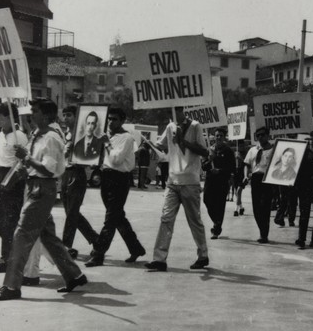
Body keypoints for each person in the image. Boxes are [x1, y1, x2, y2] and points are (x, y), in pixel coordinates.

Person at [0, 98, 87, 301]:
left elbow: (49, 169)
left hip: (42, 188)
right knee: (48, 237)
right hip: (33, 186)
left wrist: (26, 158)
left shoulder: (51, 138)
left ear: (47, 116)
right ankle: (74, 275)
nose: (31, 115)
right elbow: (30, 163)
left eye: (36, 112)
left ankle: (11, 286)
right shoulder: (37, 135)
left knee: (21, 235)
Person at [144, 114, 210, 272]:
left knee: (194, 220)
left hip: (190, 181)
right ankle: (159, 259)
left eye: (179, 108)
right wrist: (147, 143)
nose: (176, 112)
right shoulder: (170, 127)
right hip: (172, 181)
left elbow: (204, 152)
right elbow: (162, 146)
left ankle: (203, 255)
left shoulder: (195, 126)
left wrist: (183, 142)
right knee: (166, 218)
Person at [86, 107, 147, 267]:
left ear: (122, 121)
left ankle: (98, 254)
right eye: (109, 119)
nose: (111, 122)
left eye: (114, 119)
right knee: (117, 217)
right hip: (106, 178)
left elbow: (116, 160)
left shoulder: (126, 137)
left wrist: (106, 143)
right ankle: (136, 248)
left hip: (119, 179)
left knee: (110, 219)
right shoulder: (108, 136)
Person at [0, 102, 28, 274]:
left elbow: (25, 161)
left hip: (13, 178)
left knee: (10, 221)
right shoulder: (1, 135)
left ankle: (5, 260)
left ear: (9, 117)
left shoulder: (20, 136)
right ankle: (15, 249)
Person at [60, 105, 100, 260]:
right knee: (71, 212)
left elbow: (90, 157)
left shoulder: (83, 134)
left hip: (77, 173)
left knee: (72, 212)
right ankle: (96, 239)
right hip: (66, 173)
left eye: (69, 115)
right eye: (64, 115)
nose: (65, 118)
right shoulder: (66, 133)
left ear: (76, 117)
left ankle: (66, 245)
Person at [202, 127, 236, 239]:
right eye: (217, 135)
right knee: (207, 200)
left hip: (222, 182)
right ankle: (216, 221)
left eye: (221, 135)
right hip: (210, 180)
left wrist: (220, 171)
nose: (219, 137)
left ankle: (216, 229)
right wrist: (210, 159)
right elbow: (203, 166)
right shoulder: (210, 150)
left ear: (224, 137)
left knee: (220, 205)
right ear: (214, 137)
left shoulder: (228, 151)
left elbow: (232, 168)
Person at [244, 127, 275, 243]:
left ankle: (264, 234)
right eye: (258, 135)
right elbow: (247, 164)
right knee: (256, 208)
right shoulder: (252, 150)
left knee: (265, 207)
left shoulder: (273, 150)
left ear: (268, 136)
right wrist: (245, 176)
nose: (260, 137)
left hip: (267, 179)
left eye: (262, 135)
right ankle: (262, 230)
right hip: (255, 179)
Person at [231, 147, 247, 217]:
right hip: (235, 179)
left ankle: (236, 210)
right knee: (237, 194)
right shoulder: (233, 163)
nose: (236, 156)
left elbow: (245, 168)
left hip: (241, 179)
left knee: (238, 191)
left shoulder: (243, 163)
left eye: (238, 154)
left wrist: (246, 176)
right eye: (235, 155)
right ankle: (241, 207)